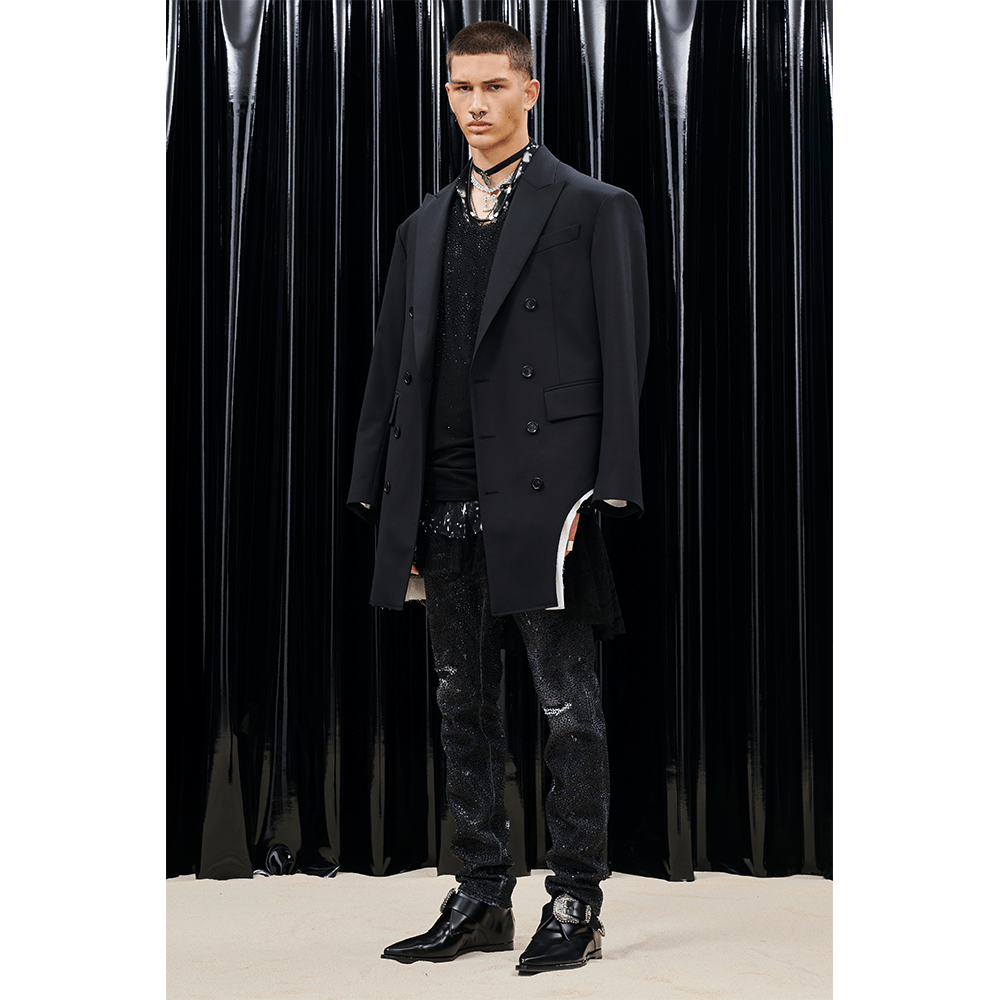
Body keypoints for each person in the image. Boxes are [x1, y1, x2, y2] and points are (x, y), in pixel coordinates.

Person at [347, 21, 648, 975]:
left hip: (547, 497)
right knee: (461, 704)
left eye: (491, 86)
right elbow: (393, 367)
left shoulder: (594, 207)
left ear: (531, 91)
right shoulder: (422, 224)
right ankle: (480, 893)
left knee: (569, 708)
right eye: (459, 88)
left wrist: (606, 488)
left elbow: (626, 350)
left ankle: (576, 899)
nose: (474, 105)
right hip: (439, 496)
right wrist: (380, 495)